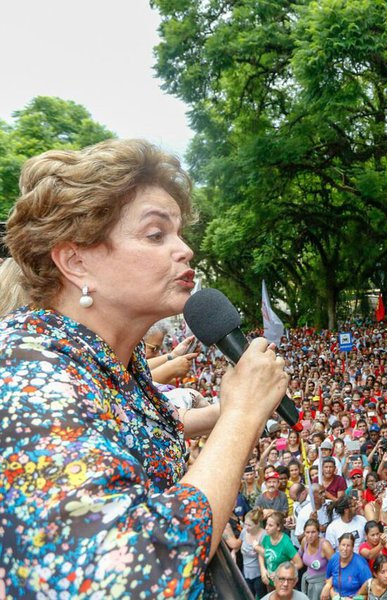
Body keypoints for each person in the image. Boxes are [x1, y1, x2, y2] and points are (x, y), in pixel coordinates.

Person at [0, 139, 289, 596]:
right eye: (156, 235)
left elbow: (134, 433)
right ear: (75, 260)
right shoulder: (28, 377)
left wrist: (231, 407)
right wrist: (240, 416)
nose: (186, 250)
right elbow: (126, 580)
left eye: (178, 232)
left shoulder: (111, 363)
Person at [257, 512, 304, 590]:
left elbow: (299, 564)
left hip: (284, 585)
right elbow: (261, 553)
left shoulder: (285, 543)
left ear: (278, 527)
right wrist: (263, 569)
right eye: (266, 524)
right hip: (270, 583)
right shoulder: (266, 538)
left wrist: (280, 573)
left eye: (270, 525)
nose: (266, 528)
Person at [322, 532, 372, 600]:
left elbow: (369, 589)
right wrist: (331, 592)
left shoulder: (361, 564)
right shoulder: (334, 558)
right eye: (343, 545)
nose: (345, 549)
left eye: (348, 546)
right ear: (339, 546)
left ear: (352, 547)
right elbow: (328, 578)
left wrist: (355, 598)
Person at [300, 518, 335, 600]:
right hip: (308, 580)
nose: (310, 535)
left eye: (313, 532)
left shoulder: (325, 545)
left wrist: (328, 586)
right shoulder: (304, 541)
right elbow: (298, 556)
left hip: (322, 583)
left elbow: (337, 568)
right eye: (307, 532)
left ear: (318, 532)